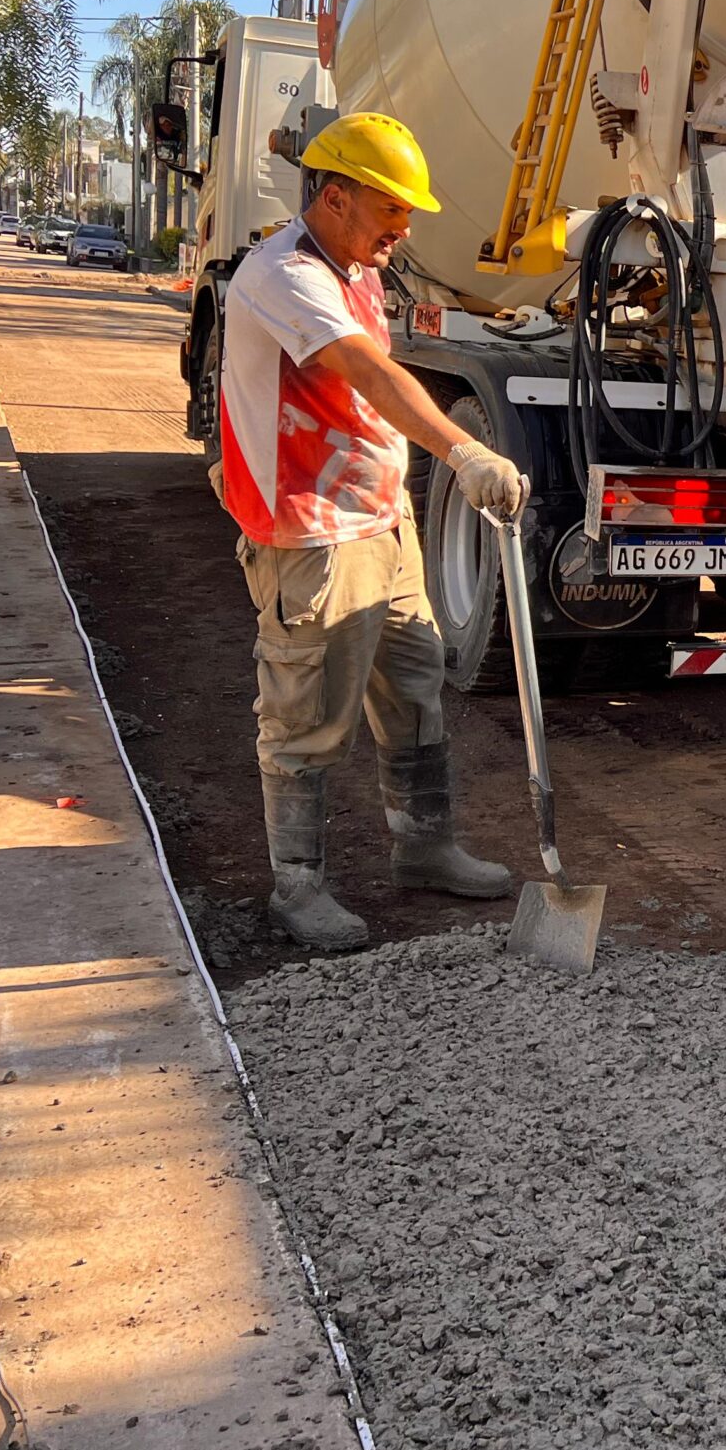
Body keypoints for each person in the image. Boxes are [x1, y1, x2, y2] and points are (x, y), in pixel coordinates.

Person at [217, 112, 532, 951]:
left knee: (415, 691)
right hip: (313, 536)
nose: (405, 227)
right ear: (335, 197)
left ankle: (424, 847)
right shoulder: (285, 274)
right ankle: (297, 887)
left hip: (383, 524)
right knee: (306, 716)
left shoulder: (354, 269)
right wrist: (464, 452)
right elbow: (367, 372)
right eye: (391, 208)